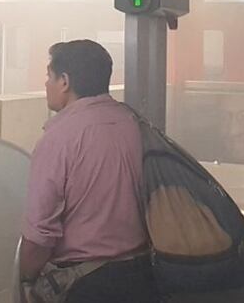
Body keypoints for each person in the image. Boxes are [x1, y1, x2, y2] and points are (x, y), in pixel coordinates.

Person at [19, 40, 156, 303]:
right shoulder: (134, 124)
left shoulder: (58, 138)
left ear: (65, 81)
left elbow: (40, 233)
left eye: (49, 76)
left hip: (86, 286)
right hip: (141, 277)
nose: (46, 84)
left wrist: (25, 278)